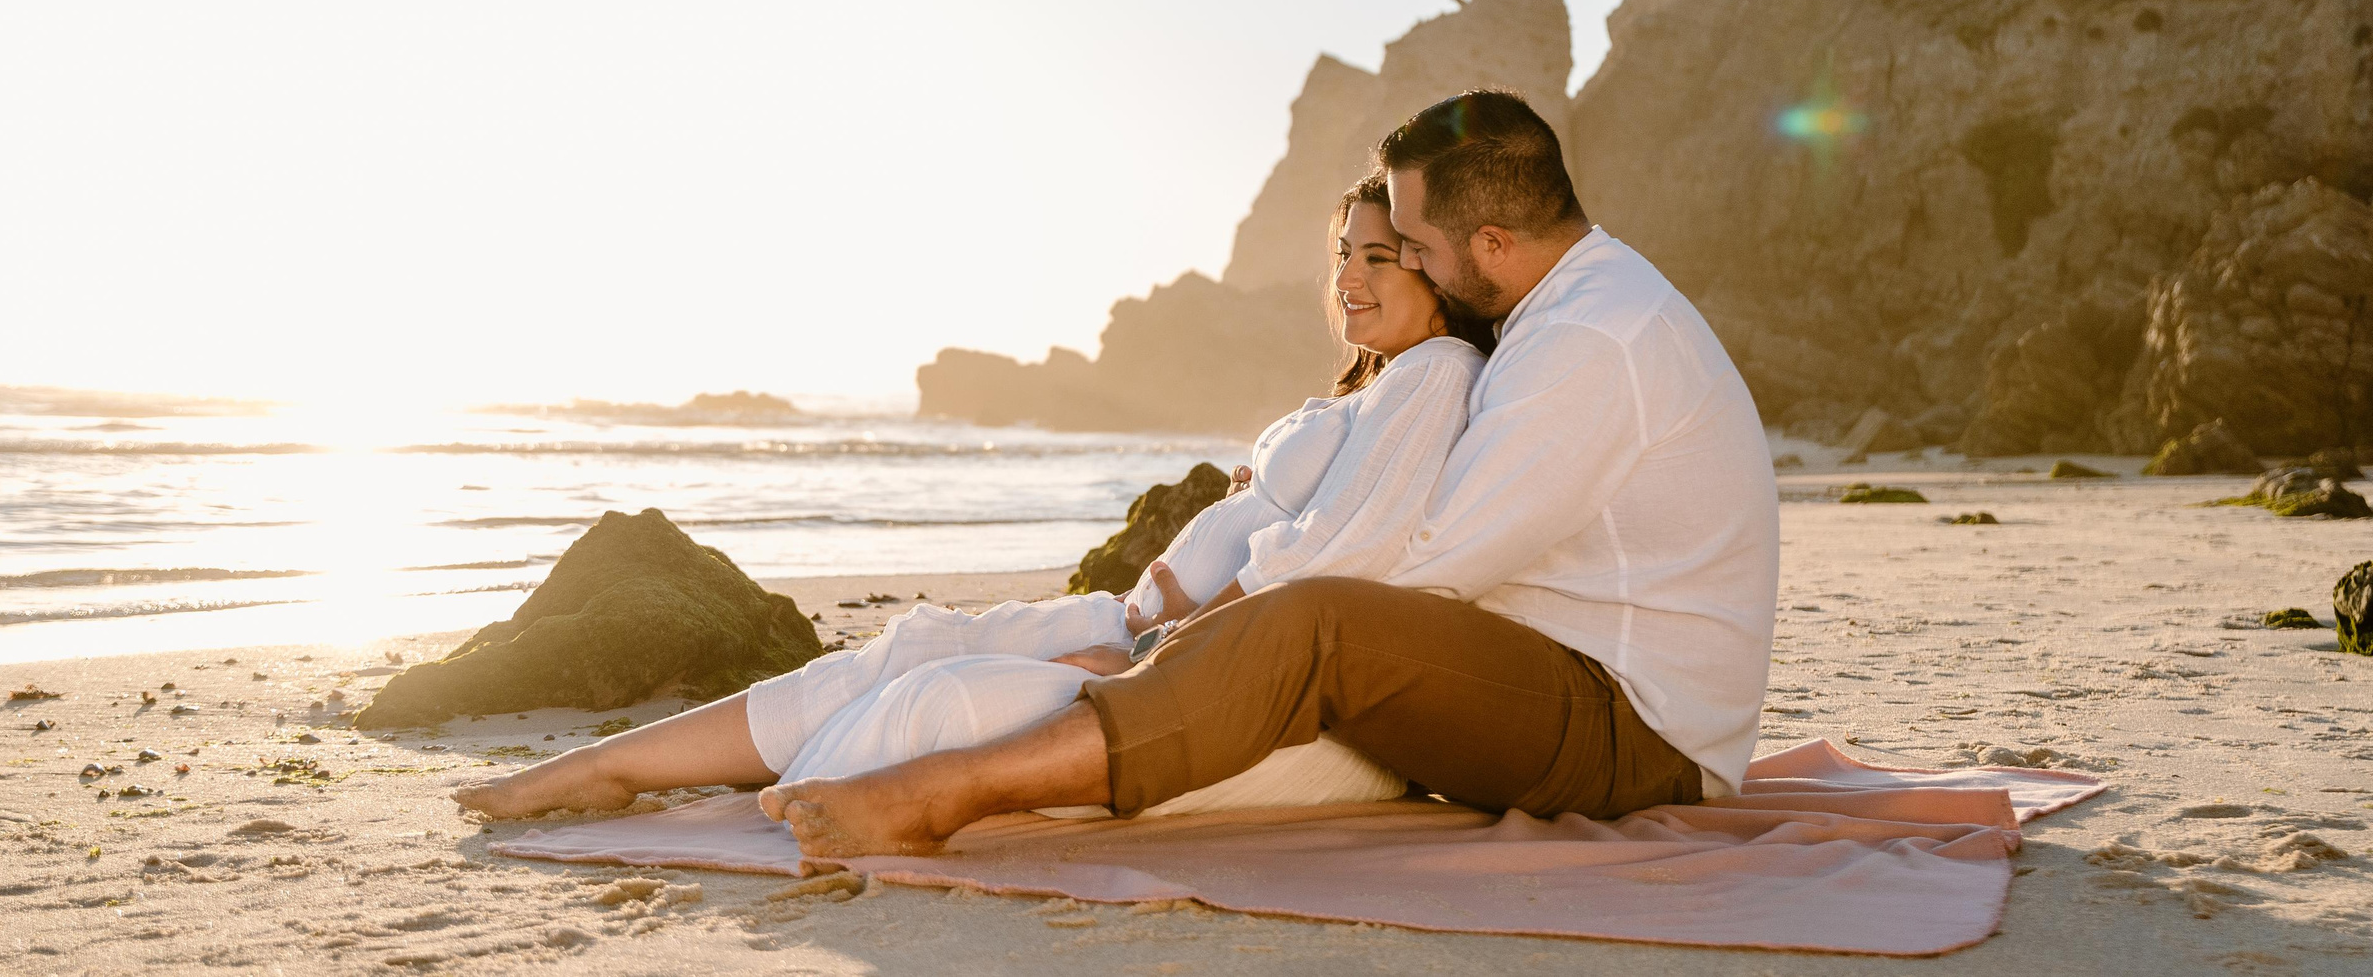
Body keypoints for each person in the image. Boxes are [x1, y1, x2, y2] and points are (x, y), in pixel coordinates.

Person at [761, 88, 1778, 858]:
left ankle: (945, 793)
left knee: (1320, 621)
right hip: (1584, 684)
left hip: (1637, 731)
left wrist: (1186, 652)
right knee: (1308, 615)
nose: (1407, 266)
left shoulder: (1588, 342)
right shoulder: (1576, 304)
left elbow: (1430, 564)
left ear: (1494, 243)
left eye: (1416, 248)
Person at [452, 175, 1487, 820]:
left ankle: (775, 793)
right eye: (1341, 253)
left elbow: (1337, 559)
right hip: (1143, 627)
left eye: (1379, 256)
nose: (1348, 276)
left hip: (1196, 665)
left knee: (929, 695)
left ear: (1440, 272)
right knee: (911, 642)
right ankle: (610, 769)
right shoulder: (1376, 385)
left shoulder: (1436, 372)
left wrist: (1151, 654)